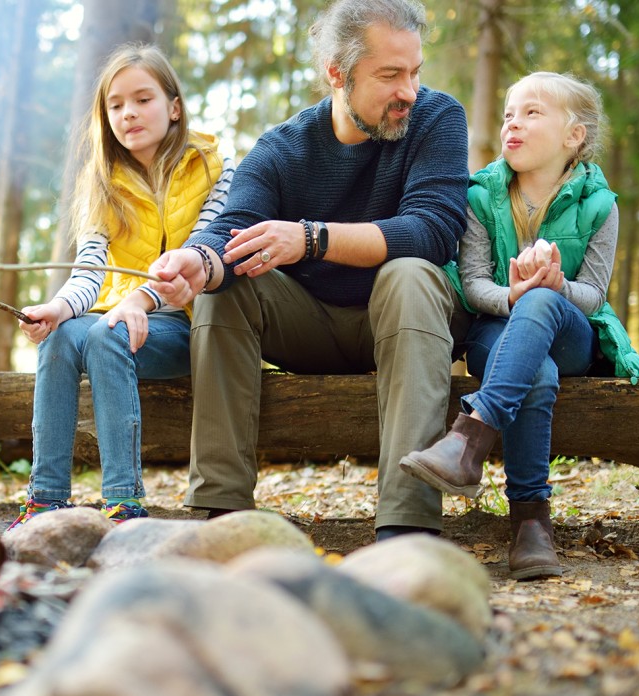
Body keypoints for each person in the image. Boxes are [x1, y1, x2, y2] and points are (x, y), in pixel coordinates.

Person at [147, 0, 470, 542]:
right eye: (390, 75)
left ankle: (407, 526)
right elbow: (232, 230)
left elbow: (434, 228)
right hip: (310, 325)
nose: (408, 92)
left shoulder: (436, 117)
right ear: (337, 74)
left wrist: (310, 238)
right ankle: (222, 516)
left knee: (410, 272)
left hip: (409, 318)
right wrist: (196, 260)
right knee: (224, 286)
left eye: (414, 72)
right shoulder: (282, 148)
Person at [398, 72, 639, 578]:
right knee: (535, 374)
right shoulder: (479, 197)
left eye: (532, 113)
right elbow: (472, 286)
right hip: (497, 331)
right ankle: (531, 525)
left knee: (542, 303)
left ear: (573, 135)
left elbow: (594, 294)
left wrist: (552, 288)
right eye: (510, 113)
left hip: (571, 335)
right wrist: (512, 294)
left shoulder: (600, 206)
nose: (514, 122)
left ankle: (469, 437)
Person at [6, 43, 234, 531]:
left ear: (174, 107)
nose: (128, 112)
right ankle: (46, 497)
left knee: (109, 332)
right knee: (62, 335)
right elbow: (90, 270)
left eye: (143, 99)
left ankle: (123, 502)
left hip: (198, 325)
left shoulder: (217, 168)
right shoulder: (103, 182)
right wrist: (58, 309)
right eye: (115, 105)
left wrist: (139, 299)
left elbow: (195, 259)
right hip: (125, 320)